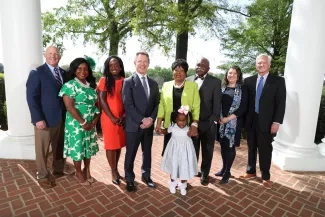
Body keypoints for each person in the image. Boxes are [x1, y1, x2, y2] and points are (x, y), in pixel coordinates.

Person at [26, 46, 71, 188]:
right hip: (44, 119)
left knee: (60, 146)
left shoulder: (64, 73)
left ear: (60, 56)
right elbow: (31, 98)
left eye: (56, 54)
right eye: (50, 53)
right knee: (42, 149)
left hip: (62, 118)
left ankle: (58, 169)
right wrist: (37, 118)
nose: (53, 56)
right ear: (45, 55)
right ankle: (42, 175)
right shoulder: (37, 73)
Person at [239, 54, 286, 189]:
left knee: (265, 149)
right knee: (251, 147)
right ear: (256, 65)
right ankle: (251, 171)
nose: (261, 65)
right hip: (251, 121)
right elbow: (245, 102)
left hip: (268, 122)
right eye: (259, 63)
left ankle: (265, 176)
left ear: (269, 65)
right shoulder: (248, 81)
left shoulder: (278, 81)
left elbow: (281, 103)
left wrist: (277, 122)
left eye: (264, 63)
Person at [122, 51, 160, 192]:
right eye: (140, 61)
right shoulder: (128, 82)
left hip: (148, 126)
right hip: (133, 126)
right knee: (130, 153)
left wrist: (151, 119)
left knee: (147, 152)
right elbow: (128, 105)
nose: (142, 64)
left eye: (145, 61)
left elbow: (157, 103)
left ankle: (146, 176)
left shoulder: (154, 83)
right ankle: (130, 179)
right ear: (135, 63)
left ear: (149, 64)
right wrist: (141, 119)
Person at [58, 57, 100, 185]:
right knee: (79, 149)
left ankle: (87, 170)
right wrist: (83, 122)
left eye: (85, 69)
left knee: (88, 148)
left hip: (91, 123)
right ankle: (78, 172)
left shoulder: (91, 85)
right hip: (76, 124)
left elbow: (96, 105)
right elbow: (69, 107)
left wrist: (95, 120)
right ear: (74, 70)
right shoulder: (69, 85)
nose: (83, 71)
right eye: (79, 68)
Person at [187, 57, 221, 185]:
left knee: (207, 151)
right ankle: (194, 170)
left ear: (208, 68)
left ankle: (205, 174)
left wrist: (211, 121)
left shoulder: (215, 82)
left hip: (208, 124)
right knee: (192, 149)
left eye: (203, 65)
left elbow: (217, 105)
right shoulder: (188, 80)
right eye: (198, 64)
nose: (200, 67)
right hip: (192, 124)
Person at [155, 59, 200, 156]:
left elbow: (196, 106)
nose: (178, 73)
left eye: (182, 71)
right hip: (170, 126)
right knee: (171, 155)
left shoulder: (193, 86)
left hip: (186, 126)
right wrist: (158, 123)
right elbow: (162, 105)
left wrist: (194, 124)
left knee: (185, 155)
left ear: (186, 73)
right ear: (172, 72)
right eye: (176, 70)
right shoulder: (166, 85)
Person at [215, 66, 248, 184]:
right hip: (221, 123)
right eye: (230, 73)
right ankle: (223, 168)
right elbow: (218, 104)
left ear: (238, 75)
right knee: (223, 147)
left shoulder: (242, 89)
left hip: (234, 123)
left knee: (230, 147)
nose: (232, 75)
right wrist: (220, 118)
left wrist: (228, 119)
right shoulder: (223, 88)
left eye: (235, 73)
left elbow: (243, 108)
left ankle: (228, 171)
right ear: (226, 75)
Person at [98, 56, 126, 185]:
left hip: (122, 118)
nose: (114, 67)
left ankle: (115, 167)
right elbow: (102, 100)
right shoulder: (104, 80)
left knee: (118, 144)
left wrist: (124, 116)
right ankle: (113, 171)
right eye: (111, 65)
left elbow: (127, 100)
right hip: (109, 118)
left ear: (120, 66)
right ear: (108, 68)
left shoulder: (125, 81)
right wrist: (112, 117)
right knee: (110, 145)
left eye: (116, 65)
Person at [160, 106, 198, 196]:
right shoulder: (172, 127)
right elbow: (165, 131)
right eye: (180, 120)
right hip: (174, 152)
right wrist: (160, 130)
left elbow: (194, 134)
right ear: (175, 120)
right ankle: (173, 183)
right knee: (174, 167)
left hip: (185, 153)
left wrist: (194, 133)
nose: (182, 123)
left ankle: (183, 185)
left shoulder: (189, 129)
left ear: (187, 120)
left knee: (184, 168)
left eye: (184, 120)